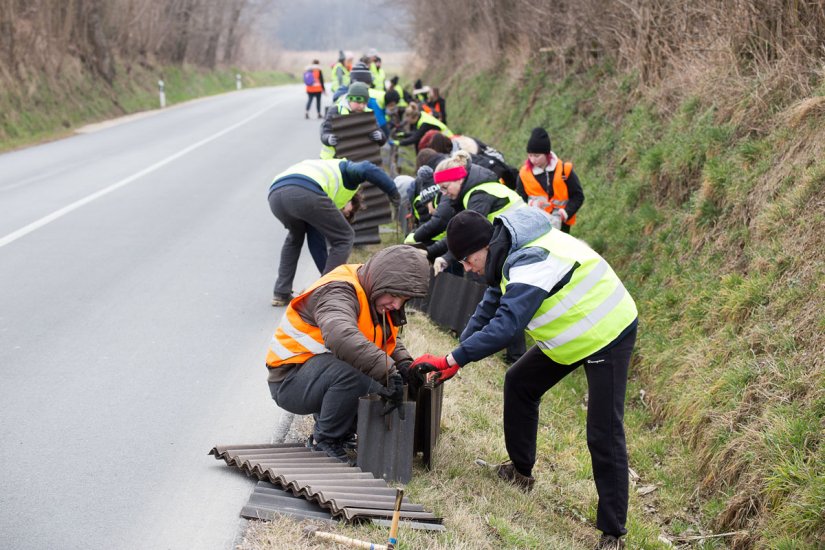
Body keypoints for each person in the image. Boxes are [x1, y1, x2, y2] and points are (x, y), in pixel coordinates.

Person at [412, 207, 638, 549]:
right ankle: (521, 472)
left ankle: (613, 533)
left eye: (469, 260)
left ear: (484, 246)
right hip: (571, 335)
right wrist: (458, 357)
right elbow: (490, 305)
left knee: (603, 431)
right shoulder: (504, 256)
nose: (469, 269)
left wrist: (451, 358)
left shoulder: (531, 260)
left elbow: (506, 326)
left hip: (605, 329)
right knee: (519, 383)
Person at [266, 245, 432, 462]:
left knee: (381, 382)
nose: (396, 304)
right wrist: (388, 372)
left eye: (404, 299)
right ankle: (324, 441)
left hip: (315, 373)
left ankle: (341, 432)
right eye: (394, 295)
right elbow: (340, 336)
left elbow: (382, 339)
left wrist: (404, 365)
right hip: (290, 380)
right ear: (381, 280)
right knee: (356, 373)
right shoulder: (338, 291)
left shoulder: (374, 293)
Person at [267, 158, 401, 306]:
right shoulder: (347, 173)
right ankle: (326, 293)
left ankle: (281, 292)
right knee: (345, 236)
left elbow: (316, 244)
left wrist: (326, 273)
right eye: (349, 211)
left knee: (294, 238)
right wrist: (393, 192)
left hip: (275, 195)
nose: (346, 212)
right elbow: (366, 167)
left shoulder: (323, 178)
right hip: (303, 191)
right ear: (352, 199)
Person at [516, 127, 584, 233]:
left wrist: (565, 213)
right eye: (530, 155)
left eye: (537, 156)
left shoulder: (564, 170)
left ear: (547, 154)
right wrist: (532, 205)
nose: (533, 160)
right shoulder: (523, 174)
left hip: (562, 224)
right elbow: (520, 200)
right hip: (537, 224)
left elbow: (578, 196)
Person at [319, 81, 386, 159]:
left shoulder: (368, 113)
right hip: (333, 160)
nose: (361, 106)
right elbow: (325, 132)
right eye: (358, 102)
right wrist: (328, 138)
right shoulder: (336, 110)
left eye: (364, 103)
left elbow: (381, 135)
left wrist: (380, 136)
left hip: (358, 160)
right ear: (349, 99)